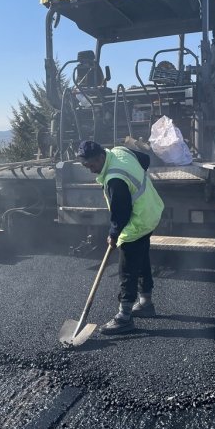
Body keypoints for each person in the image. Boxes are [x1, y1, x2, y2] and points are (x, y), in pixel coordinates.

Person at [77, 140, 165, 334]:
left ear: (101, 157)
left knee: (127, 269)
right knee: (141, 259)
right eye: (86, 166)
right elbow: (145, 159)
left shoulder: (114, 178)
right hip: (151, 210)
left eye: (92, 165)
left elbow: (121, 212)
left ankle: (124, 317)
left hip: (138, 220)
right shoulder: (119, 151)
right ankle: (146, 303)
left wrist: (113, 235)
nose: (91, 170)